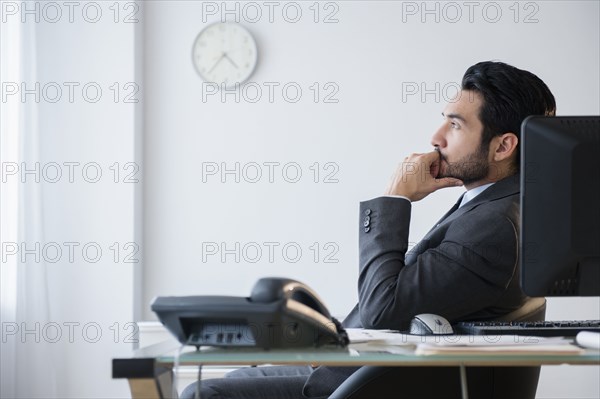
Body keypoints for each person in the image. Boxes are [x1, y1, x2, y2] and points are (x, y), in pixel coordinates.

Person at [181, 61, 556, 399]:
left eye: (455, 124)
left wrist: (394, 199)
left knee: (206, 392)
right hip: (353, 370)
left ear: (503, 146)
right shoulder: (493, 206)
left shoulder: (495, 225)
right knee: (226, 380)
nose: (436, 137)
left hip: (363, 384)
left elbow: (383, 307)